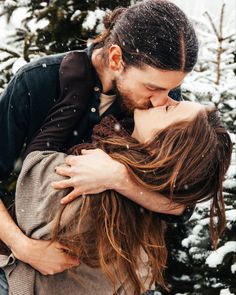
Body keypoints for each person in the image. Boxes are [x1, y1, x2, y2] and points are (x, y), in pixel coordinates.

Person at [0, 0, 200, 290]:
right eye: (153, 87)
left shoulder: (161, 103)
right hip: (26, 261)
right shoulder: (38, 82)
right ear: (116, 58)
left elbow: (180, 204)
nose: (163, 100)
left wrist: (119, 179)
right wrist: (24, 247)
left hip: (112, 275)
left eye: (170, 89)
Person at [0, 98, 232, 294]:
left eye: (171, 108)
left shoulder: (87, 184)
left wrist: (74, 92)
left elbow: (34, 169)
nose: (164, 98)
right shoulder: (153, 202)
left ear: (160, 147)